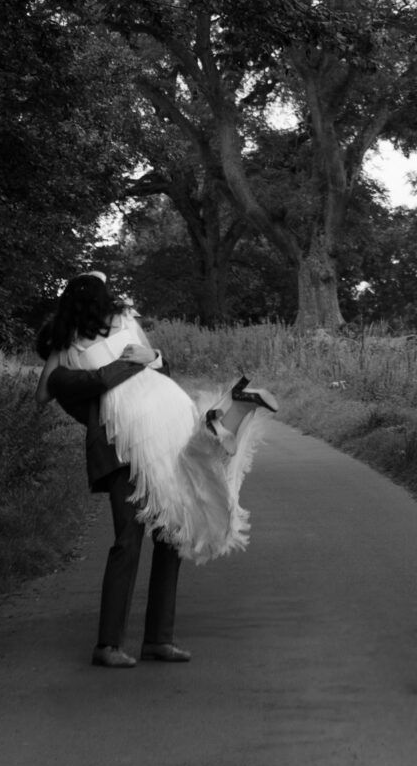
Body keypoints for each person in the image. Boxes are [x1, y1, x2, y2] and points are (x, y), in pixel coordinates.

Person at [35, 272, 264, 668]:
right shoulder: (65, 340)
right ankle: (107, 645)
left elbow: (158, 365)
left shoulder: (125, 322)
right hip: (123, 443)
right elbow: (45, 392)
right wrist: (88, 378)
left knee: (169, 535)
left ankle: (158, 640)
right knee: (128, 537)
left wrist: (154, 357)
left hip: (164, 423)